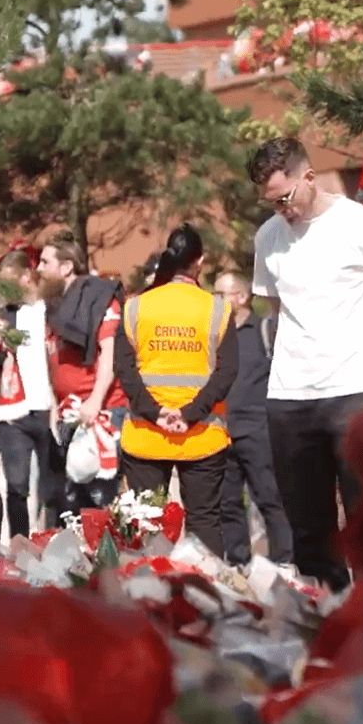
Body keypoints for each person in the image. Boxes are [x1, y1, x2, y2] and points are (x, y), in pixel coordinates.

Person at [248, 137, 363, 591]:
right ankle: (324, 624)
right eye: (271, 202)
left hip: (356, 390)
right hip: (290, 397)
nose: (282, 209)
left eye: (286, 197)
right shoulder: (268, 238)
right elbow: (276, 308)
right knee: (308, 529)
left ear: (309, 178)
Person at [114, 225, 237, 556]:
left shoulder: (135, 307)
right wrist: (190, 414)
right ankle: (207, 599)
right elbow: (227, 372)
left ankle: (144, 600)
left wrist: (156, 414)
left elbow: (124, 370)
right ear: (200, 261)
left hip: (146, 434)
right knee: (205, 522)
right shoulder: (217, 309)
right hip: (202, 435)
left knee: (145, 524)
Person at [38, 230, 127, 514]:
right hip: (67, 412)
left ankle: (111, 558)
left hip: (100, 412)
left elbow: (109, 354)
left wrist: (95, 401)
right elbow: (52, 361)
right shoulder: (52, 307)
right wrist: (53, 405)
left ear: (65, 268)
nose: (38, 269)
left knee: (100, 500)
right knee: (71, 505)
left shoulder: (99, 300)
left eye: (44, 262)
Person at [212, 271, 293, 567]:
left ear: (242, 297)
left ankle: (285, 563)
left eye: (222, 294)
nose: (216, 300)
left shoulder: (264, 332)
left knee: (270, 498)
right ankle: (238, 565)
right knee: (227, 503)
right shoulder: (215, 338)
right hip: (221, 431)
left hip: (258, 429)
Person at [0, 250, 55, 539]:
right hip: (14, 415)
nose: (5, 290)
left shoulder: (49, 311)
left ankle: (55, 545)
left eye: (10, 282)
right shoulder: (2, 316)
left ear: (27, 276)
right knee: (16, 487)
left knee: (54, 488)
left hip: (50, 410)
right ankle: (19, 547)